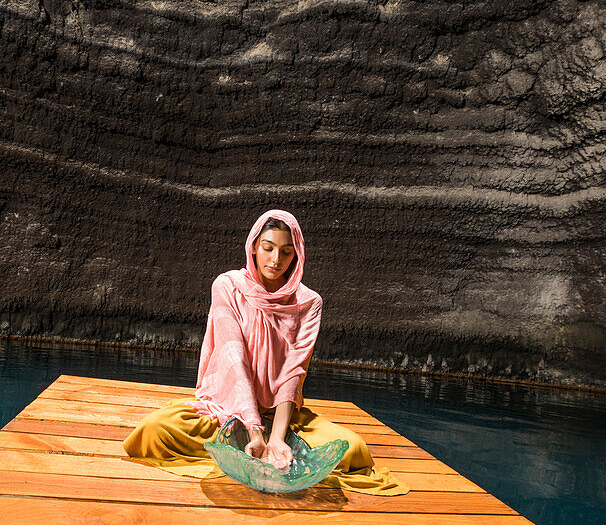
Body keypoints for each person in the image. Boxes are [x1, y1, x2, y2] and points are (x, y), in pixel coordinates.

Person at [122, 209, 408, 496]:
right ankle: (247, 448)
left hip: (279, 416)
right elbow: (235, 361)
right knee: (154, 430)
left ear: (296, 255)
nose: (275, 260)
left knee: (354, 449)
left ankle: (254, 453)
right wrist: (255, 432)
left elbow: (293, 373)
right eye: (268, 248)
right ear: (254, 247)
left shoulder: (309, 302)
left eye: (286, 252)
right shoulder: (228, 286)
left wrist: (278, 440)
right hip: (230, 411)